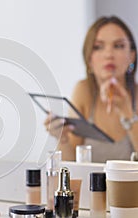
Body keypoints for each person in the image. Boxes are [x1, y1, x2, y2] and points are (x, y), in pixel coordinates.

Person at [45, 16, 138, 163]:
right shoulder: (84, 91)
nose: (109, 54)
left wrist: (128, 114)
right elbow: (73, 166)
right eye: (98, 47)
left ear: (132, 56)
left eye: (118, 46)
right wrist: (62, 138)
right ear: (89, 58)